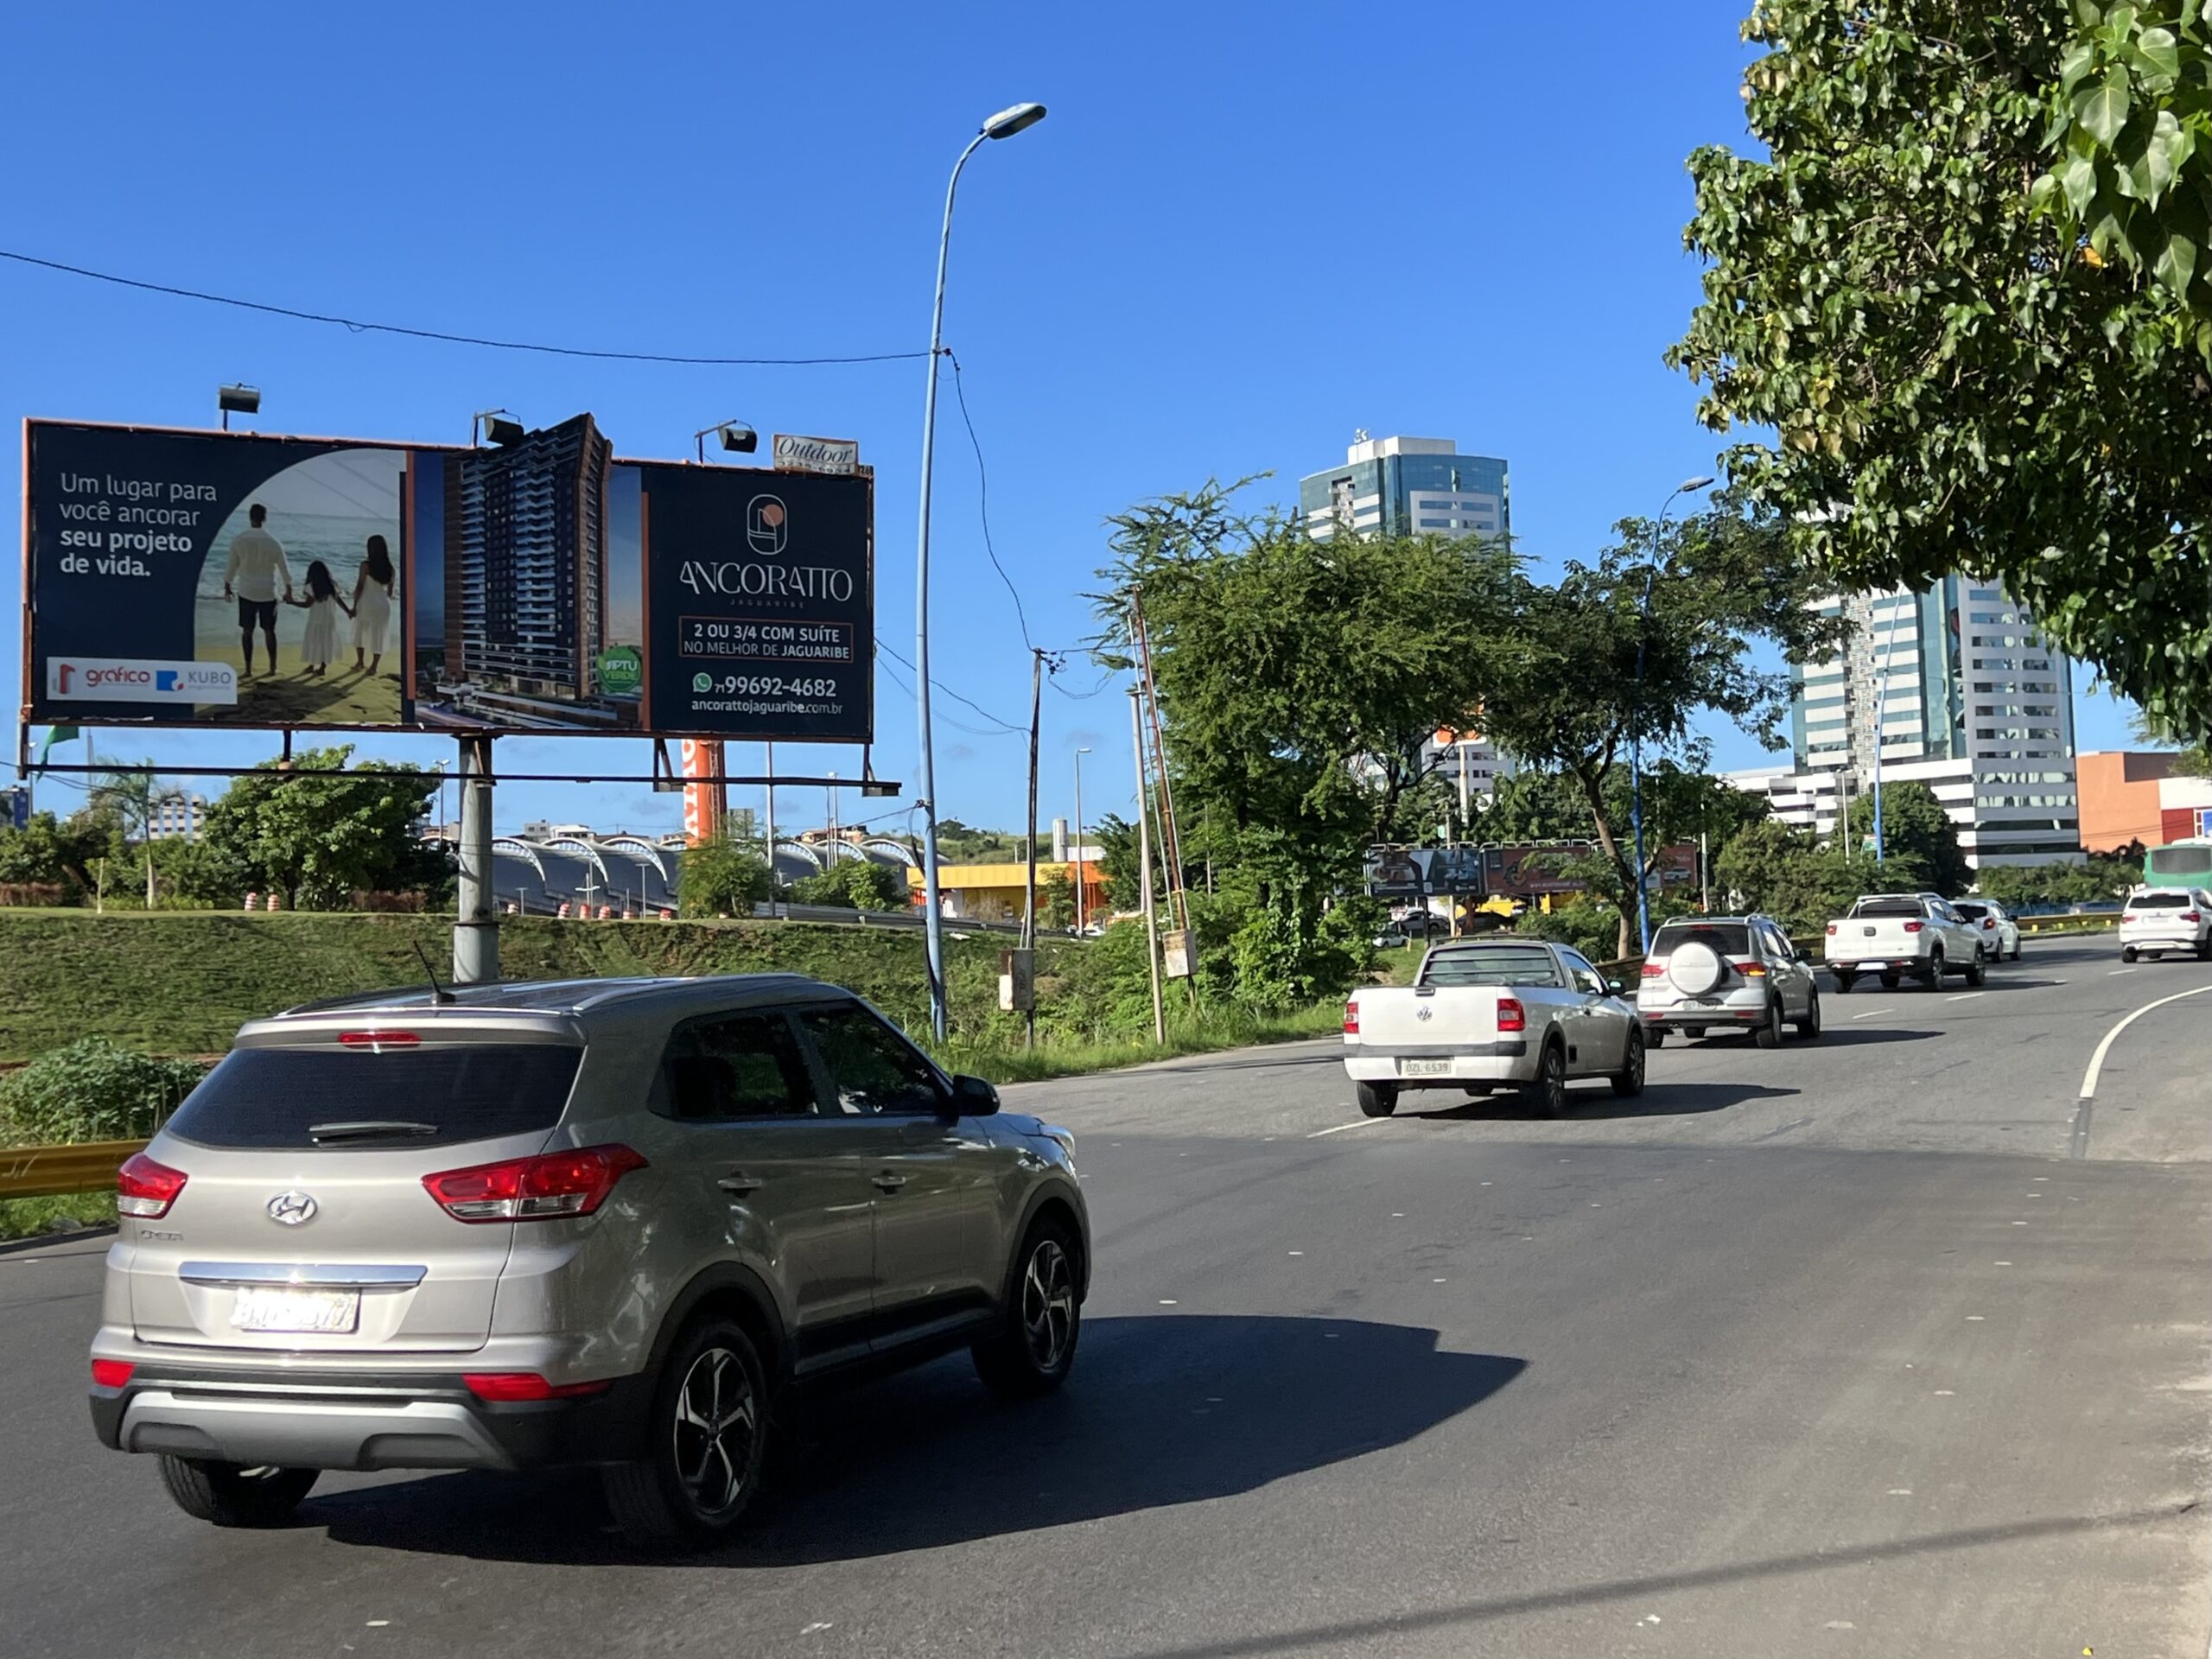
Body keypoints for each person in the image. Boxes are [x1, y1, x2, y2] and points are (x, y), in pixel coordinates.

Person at [221, 504, 292, 677]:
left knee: (247, 631)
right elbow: (284, 569)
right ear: (265, 518)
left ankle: (248, 669)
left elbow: (231, 566)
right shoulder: (273, 542)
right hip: (268, 591)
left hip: (247, 591)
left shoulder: (239, 540)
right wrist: (288, 589)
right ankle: (273, 667)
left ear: (250, 518)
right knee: (269, 630)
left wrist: (227, 586)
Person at [284, 561, 353, 678]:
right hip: (329, 618)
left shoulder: (311, 587)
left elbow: (307, 604)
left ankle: (311, 665)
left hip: (316, 618)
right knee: (326, 642)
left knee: (314, 641)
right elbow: (339, 601)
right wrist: (348, 611)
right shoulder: (332, 585)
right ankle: (322, 667)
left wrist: (292, 602)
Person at [350, 534, 397, 676]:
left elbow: (360, 586)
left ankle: (360, 662)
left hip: (367, 601)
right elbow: (390, 592)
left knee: (360, 631)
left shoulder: (366, 565)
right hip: (383, 603)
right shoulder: (391, 569)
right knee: (379, 633)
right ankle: (374, 667)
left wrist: (354, 605)